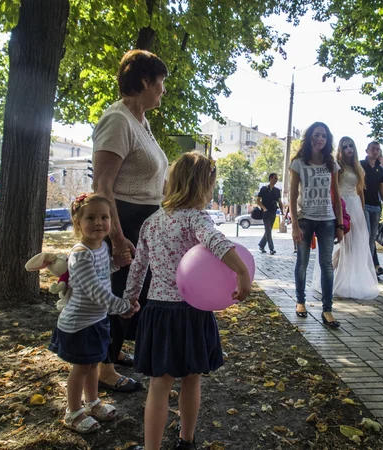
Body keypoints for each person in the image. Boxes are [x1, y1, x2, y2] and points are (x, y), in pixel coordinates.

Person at [125, 152, 251, 450]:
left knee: (159, 384)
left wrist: (130, 298)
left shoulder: (152, 222)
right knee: (191, 379)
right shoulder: (196, 218)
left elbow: (138, 266)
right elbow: (218, 242)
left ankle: (152, 448)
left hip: (158, 311)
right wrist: (242, 271)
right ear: (203, 187)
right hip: (192, 311)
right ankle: (186, 441)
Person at [92, 49, 169, 392]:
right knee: (123, 293)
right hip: (125, 219)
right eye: (160, 82)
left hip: (145, 220)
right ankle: (103, 369)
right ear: (144, 81)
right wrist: (118, 238)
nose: (163, 90)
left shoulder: (142, 122)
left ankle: (114, 352)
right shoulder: (117, 120)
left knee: (136, 293)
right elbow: (102, 185)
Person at [47, 193, 140, 434]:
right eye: (91, 217)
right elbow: (94, 290)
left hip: (96, 321)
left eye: (104, 217)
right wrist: (123, 306)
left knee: (93, 364)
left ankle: (93, 401)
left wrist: (116, 265)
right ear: (77, 222)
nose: (99, 222)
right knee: (80, 369)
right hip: (79, 325)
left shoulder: (100, 247)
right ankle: (73, 411)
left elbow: (102, 272)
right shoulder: (80, 253)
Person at [289, 122, 344, 328]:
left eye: (323, 136)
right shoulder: (298, 163)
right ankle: (300, 302)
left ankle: (327, 310)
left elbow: (336, 197)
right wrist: (294, 225)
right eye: (316, 134)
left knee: (327, 264)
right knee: (302, 262)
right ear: (309, 136)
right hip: (305, 219)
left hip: (327, 221)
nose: (319, 139)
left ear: (327, 139)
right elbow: (293, 196)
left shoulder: (331, 164)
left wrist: (339, 225)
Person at [312, 137, 379, 299]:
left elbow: (360, 191)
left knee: (355, 244)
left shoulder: (358, 167)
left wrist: (361, 212)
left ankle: (348, 280)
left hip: (355, 206)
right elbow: (331, 188)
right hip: (341, 205)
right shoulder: (337, 167)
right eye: (345, 146)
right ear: (340, 150)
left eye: (351, 145)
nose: (349, 148)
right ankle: (329, 278)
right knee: (340, 243)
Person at [361, 141, 383, 277]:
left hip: (376, 206)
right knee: (367, 235)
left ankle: (373, 267)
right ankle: (370, 267)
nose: (375, 151)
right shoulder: (361, 165)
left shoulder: (381, 169)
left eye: (378, 149)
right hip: (364, 205)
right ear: (367, 150)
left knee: (372, 237)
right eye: (373, 149)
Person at [256, 173, 284, 255]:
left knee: (268, 231)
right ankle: (271, 248)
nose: (276, 180)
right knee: (268, 231)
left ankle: (261, 245)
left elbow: (279, 201)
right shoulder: (264, 189)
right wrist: (264, 208)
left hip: (273, 212)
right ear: (271, 178)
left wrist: (282, 210)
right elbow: (258, 200)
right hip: (265, 213)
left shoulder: (277, 190)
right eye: (275, 178)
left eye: (277, 178)